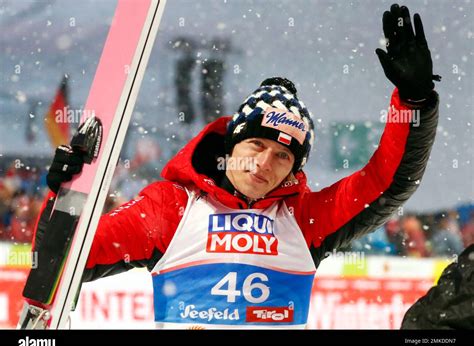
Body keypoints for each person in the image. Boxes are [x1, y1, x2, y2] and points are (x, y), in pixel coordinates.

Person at [34, 4, 440, 329]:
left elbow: (388, 182)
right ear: (231, 143)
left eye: (283, 156)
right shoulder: (171, 207)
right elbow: (67, 262)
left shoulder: (306, 218)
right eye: (256, 144)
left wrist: (415, 103)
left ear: (295, 169)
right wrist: (64, 195)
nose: (265, 163)